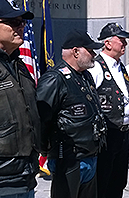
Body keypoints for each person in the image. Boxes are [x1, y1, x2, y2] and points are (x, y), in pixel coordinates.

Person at [36, 29, 107, 198]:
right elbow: (41, 119)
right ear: (76, 52)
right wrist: (44, 149)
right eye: (89, 51)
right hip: (68, 158)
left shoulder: (86, 76)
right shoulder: (55, 79)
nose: (94, 55)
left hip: (89, 156)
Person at [0, 0, 40, 198]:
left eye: (22, 22)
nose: (21, 27)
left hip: (25, 180)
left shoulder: (19, 65)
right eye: (13, 22)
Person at [88, 22, 129, 198]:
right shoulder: (97, 67)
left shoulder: (121, 67)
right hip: (107, 134)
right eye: (121, 40)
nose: (125, 44)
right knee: (103, 181)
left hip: (123, 133)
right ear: (107, 43)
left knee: (118, 181)